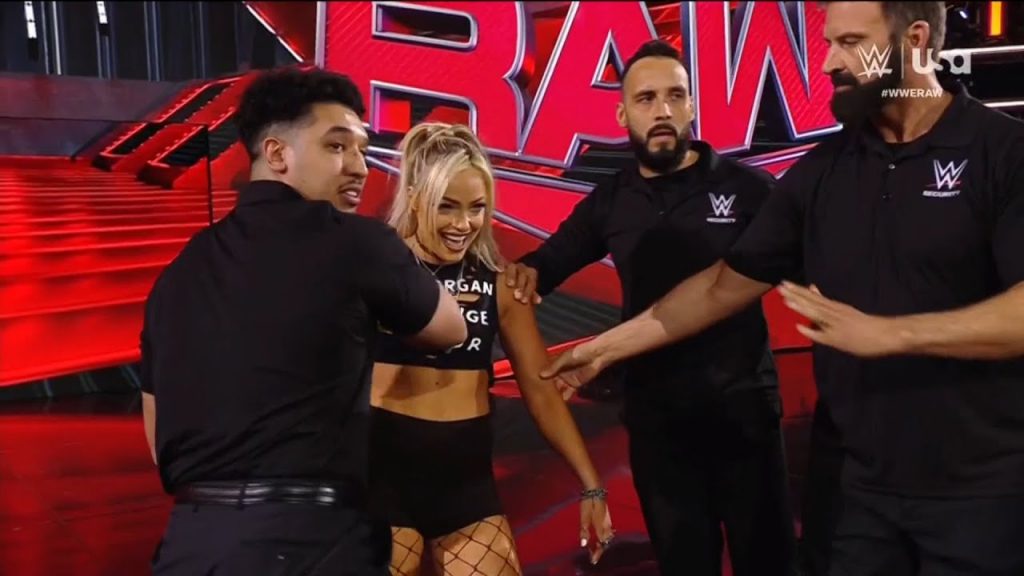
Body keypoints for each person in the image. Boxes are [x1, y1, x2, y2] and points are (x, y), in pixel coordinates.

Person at [541, 3, 1024, 575]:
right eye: (829, 42)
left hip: (980, 492)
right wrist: (605, 349)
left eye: (850, 42)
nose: (828, 62)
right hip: (854, 495)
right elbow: (721, 286)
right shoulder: (822, 172)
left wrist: (893, 334)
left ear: (915, 41)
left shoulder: (1003, 152)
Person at [139, 67, 468, 576]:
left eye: (362, 149)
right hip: (311, 541)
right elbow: (450, 328)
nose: (359, 167)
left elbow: (158, 436)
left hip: (191, 545)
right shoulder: (357, 243)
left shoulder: (177, 274)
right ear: (276, 154)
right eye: (337, 147)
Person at [505, 39, 796, 576]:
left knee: (770, 564)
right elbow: (545, 263)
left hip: (744, 416)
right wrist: (523, 274)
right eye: (645, 99)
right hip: (659, 427)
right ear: (622, 114)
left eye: (674, 96)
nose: (662, 110)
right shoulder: (612, 200)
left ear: (692, 106)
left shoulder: (751, 189)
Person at [368, 122, 615, 576]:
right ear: (417, 198)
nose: (463, 224)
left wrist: (592, 485)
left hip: (466, 489)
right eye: (447, 206)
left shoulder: (501, 285)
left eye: (477, 208)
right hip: (380, 485)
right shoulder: (376, 271)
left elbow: (541, 392)